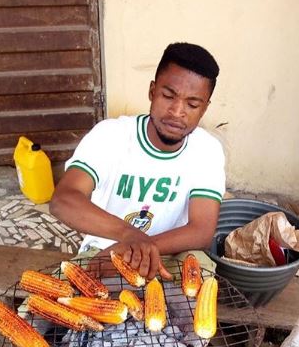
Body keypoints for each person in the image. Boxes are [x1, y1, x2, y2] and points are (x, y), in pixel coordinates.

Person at [50, 42, 226, 280]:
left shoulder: (207, 150)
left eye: (192, 104)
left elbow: (202, 230)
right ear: (152, 91)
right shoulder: (111, 135)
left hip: (172, 253)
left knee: (199, 278)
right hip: (105, 251)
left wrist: (139, 246)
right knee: (43, 311)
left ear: (204, 109)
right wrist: (128, 236)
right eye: (168, 96)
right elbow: (63, 200)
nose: (177, 111)